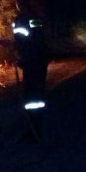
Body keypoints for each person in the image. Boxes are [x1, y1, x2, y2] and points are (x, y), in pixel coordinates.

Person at [12, 12, 49, 142]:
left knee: (32, 98)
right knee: (37, 96)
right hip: (39, 63)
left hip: (32, 63)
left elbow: (25, 43)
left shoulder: (23, 19)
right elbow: (39, 40)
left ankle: (33, 131)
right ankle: (36, 129)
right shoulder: (35, 18)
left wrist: (22, 58)